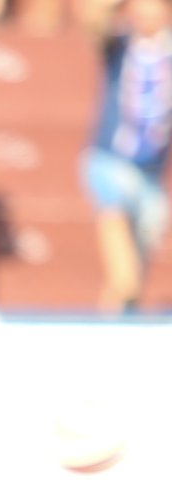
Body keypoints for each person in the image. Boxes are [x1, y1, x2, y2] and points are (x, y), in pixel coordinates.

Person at [82, 0, 172, 313]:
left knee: (132, 281)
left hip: (150, 173)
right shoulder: (121, 46)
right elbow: (93, 22)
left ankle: (112, 321)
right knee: (126, 276)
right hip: (109, 161)